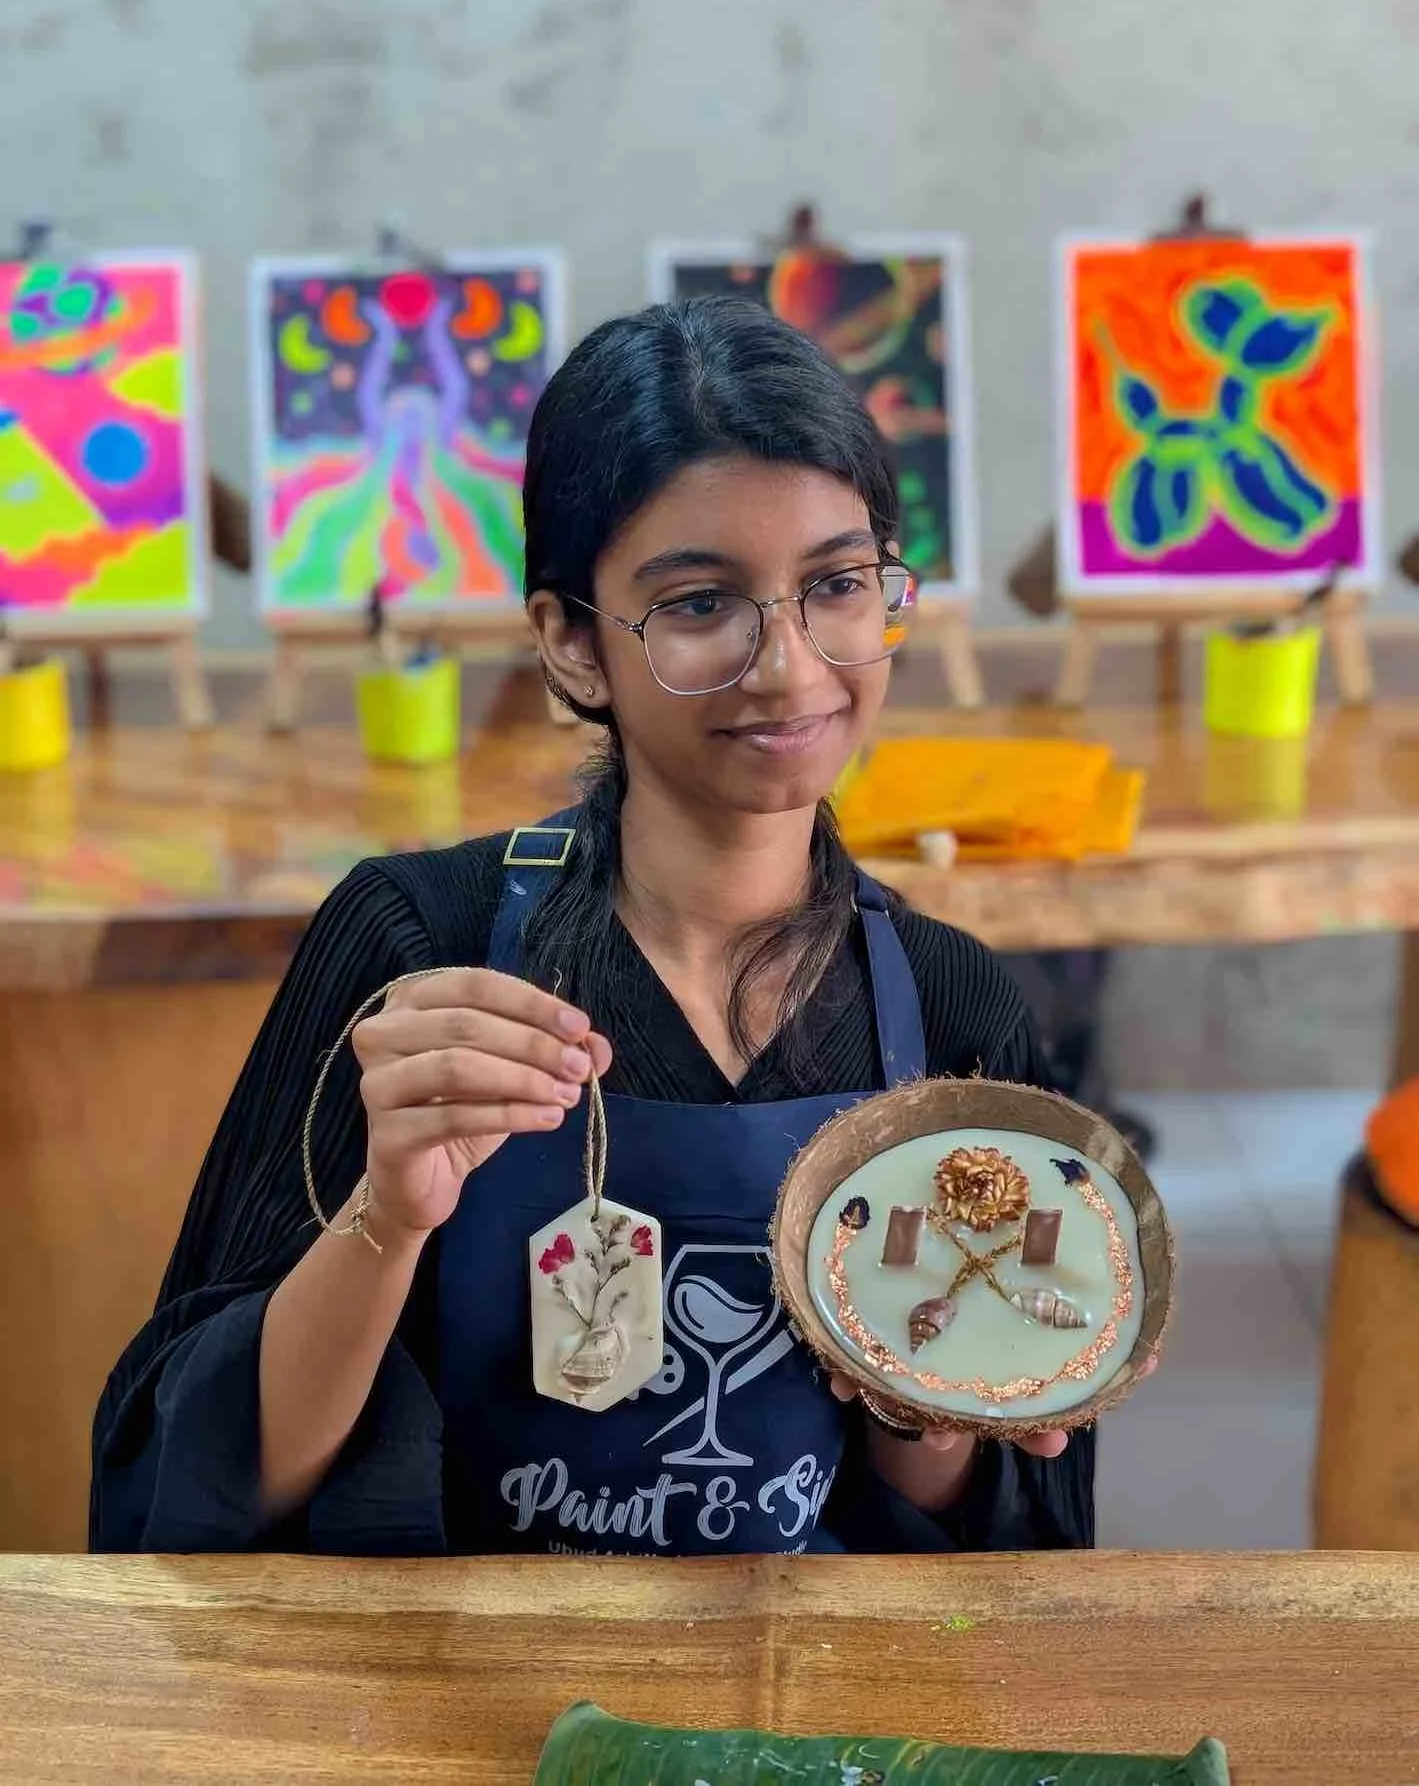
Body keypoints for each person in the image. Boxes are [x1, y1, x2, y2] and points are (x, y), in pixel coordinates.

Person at [92, 296, 1093, 1557]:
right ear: (571, 643)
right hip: (463, 1706)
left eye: (837, 585)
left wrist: (933, 1395)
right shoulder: (420, 948)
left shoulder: (954, 1006)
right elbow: (211, 1492)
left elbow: (992, 1553)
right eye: (696, 604)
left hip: (802, 1726)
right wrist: (391, 1215)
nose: (789, 667)